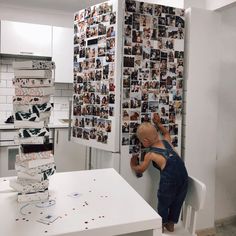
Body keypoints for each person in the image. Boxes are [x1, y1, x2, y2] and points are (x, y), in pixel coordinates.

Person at [130, 113, 188, 233]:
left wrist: (133, 163)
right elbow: (166, 132)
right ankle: (171, 224)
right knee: (177, 202)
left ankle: (161, 225)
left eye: (141, 142)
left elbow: (141, 169)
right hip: (184, 178)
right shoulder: (166, 140)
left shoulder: (150, 154)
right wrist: (158, 123)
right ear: (156, 134)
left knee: (163, 204)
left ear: (145, 141)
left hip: (169, 182)